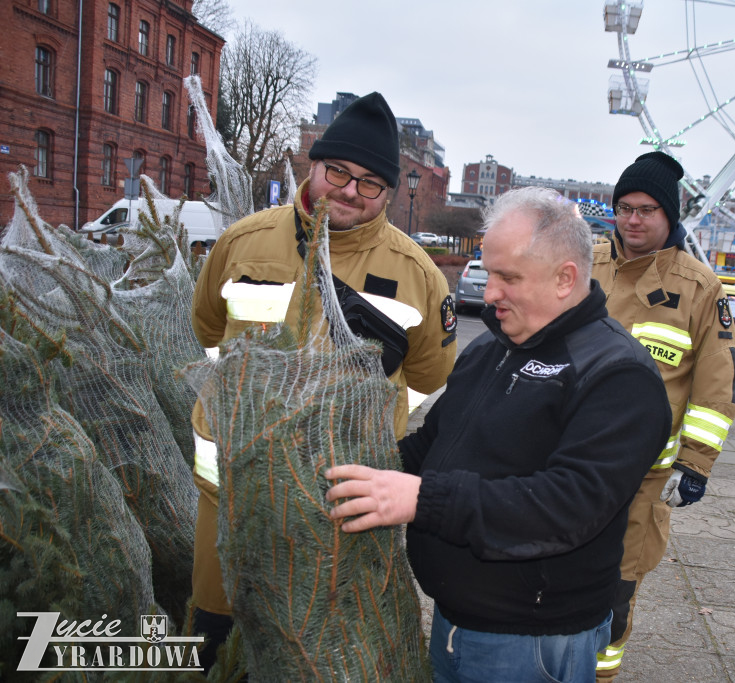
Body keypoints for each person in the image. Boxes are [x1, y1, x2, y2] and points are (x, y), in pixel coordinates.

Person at [325, 186, 673, 683]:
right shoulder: (494, 346)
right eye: (489, 274)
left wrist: (422, 500)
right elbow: (435, 444)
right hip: (455, 620)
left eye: (508, 277)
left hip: (532, 643)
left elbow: (567, 506)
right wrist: (354, 467)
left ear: (565, 279)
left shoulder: (618, 374)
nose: (488, 294)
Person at [188, 91, 458, 670]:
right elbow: (208, 330)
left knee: (319, 656)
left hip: (340, 513)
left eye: (371, 183)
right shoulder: (243, 244)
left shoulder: (416, 276)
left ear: (389, 193)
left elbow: (429, 377)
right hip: (230, 495)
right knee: (216, 638)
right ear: (313, 165)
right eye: (337, 171)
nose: (350, 190)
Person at [591, 151, 735, 679]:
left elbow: (716, 384)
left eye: (647, 210)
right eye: (624, 208)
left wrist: (695, 463)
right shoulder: (583, 265)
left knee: (615, 593)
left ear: (669, 215)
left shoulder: (700, 288)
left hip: (642, 478)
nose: (633, 220)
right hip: (562, 462)